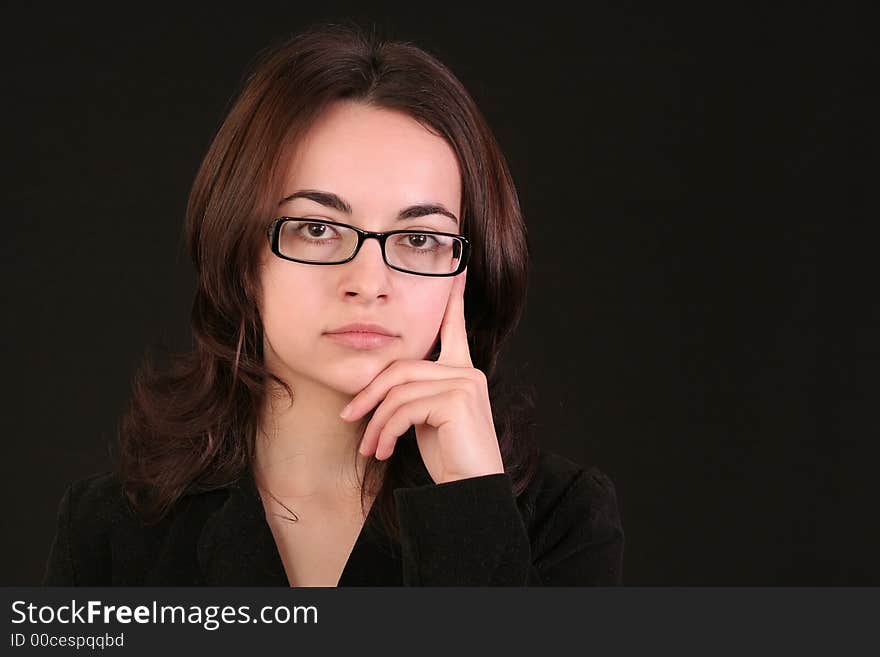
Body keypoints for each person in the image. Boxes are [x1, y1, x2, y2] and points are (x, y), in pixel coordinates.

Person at [42, 21, 625, 586]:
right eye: (318, 230)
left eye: (419, 238)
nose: (368, 282)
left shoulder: (562, 518)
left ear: (467, 271)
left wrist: (469, 510)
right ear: (243, 254)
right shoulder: (108, 531)